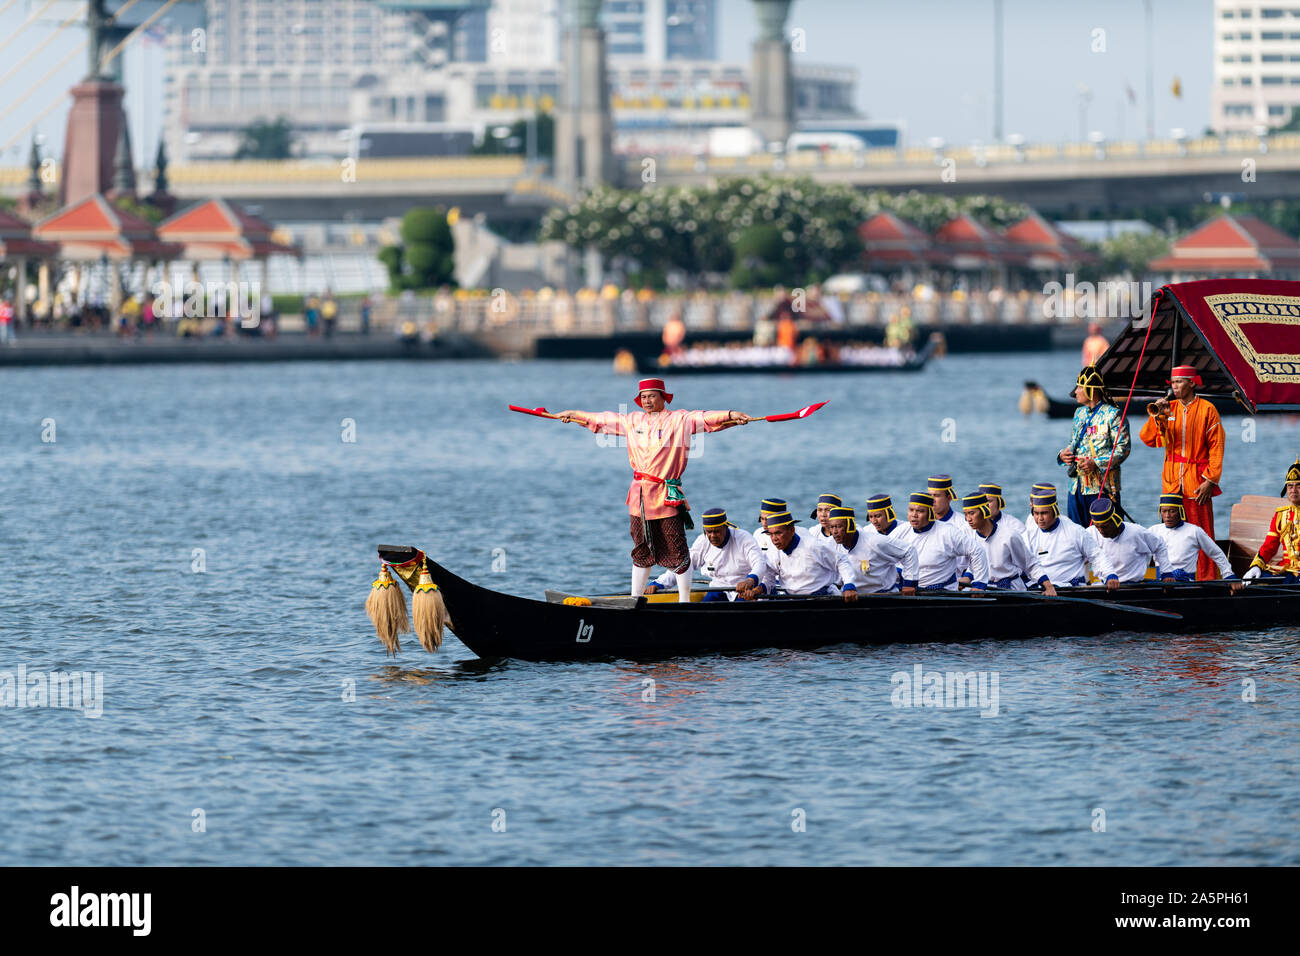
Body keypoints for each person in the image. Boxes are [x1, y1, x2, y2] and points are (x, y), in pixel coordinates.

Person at [556, 378, 758, 603]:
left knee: (676, 545)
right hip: (639, 494)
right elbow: (602, 419)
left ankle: (684, 601)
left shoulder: (679, 420)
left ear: (663, 397)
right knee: (640, 545)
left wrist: (731, 415)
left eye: (652, 396)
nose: (647, 401)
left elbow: (705, 417)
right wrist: (574, 415)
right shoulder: (632, 421)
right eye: (643, 397)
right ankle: (635, 598)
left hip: (666, 493)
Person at [1140, 364, 1226, 579]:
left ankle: (1207, 579)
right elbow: (1149, 440)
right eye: (1173, 383)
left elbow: (1217, 447)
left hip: (1198, 480)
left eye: (1179, 382)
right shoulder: (1169, 409)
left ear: (1192, 382)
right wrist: (1156, 416)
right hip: (1171, 480)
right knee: (1170, 532)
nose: (1174, 386)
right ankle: (1168, 575)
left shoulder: (1208, 409)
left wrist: (1210, 480)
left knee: (1202, 532)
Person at [647, 508, 772, 602]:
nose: (712, 536)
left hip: (745, 590)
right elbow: (684, 565)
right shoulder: (703, 541)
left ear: (725, 527)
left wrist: (750, 580)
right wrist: (659, 584)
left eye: (717, 531)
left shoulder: (744, 538)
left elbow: (759, 564)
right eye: (709, 532)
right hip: (718, 588)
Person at [1058, 366, 1130, 527]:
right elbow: (1073, 443)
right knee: (1077, 534)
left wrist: (1095, 462)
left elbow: (1123, 449)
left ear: (1091, 389)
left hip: (1102, 487)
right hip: (1076, 486)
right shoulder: (1079, 413)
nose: (1075, 392)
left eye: (1079, 387)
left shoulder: (1114, 414)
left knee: (1106, 536)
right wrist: (1064, 454)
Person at [737, 509, 857, 601]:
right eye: (771, 534)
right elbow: (769, 579)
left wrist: (849, 586)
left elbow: (842, 561)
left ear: (792, 530)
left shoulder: (813, 545)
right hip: (792, 600)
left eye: (778, 533)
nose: (774, 539)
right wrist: (757, 591)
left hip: (822, 598)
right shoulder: (773, 552)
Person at [1023, 483, 1114, 587]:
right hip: (1041, 589)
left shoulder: (1075, 531)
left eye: (1044, 513)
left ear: (1055, 511)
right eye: (1036, 513)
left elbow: (1097, 555)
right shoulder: (1028, 535)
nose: (1040, 518)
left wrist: (1110, 575)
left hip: (1071, 589)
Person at [960, 491, 1052, 593]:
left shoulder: (1009, 535)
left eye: (972, 513)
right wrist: (965, 579)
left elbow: (1030, 564)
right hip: (983, 589)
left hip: (1010, 590)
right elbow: (975, 566)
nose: (968, 519)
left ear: (984, 511)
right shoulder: (969, 536)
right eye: (966, 514)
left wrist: (1048, 587)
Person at [1147, 492, 1238, 586]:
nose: (1167, 516)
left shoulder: (1194, 531)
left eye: (1172, 511)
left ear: (1180, 511)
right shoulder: (1153, 531)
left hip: (1186, 584)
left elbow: (1217, 553)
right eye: (1164, 511)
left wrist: (1229, 576)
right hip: (1160, 584)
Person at [905, 492, 989, 591]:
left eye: (920, 511)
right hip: (911, 590)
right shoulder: (901, 531)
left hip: (943, 592)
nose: (914, 515)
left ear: (930, 513)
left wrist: (979, 584)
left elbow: (977, 550)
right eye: (911, 510)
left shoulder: (948, 532)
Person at [1085, 497, 1175, 588]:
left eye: (1105, 527)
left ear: (1115, 521)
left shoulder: (1136, 532)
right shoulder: (1091, 533)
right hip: (1103, 586)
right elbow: (1079, 557)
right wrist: (1085, 580)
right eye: (1097, 527)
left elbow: (1159, 545)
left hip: (1133, 587)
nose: (1101, 531)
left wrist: (1166, 572)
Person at [828, 505, 918, 595]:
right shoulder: (830, 544)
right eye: (831, 527)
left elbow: (909, 550)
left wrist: (910, 583)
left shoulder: (874, 541)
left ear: (850, 526)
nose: (834, 532)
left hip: (883, 595)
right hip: (851, 595)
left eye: (839, 526)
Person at [1244, 457, 1300, 583]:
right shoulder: (1281, 515)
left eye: (1298, 486)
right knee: (1256, 582)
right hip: (1287, 571)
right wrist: (1256, 566)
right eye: (1290, 486)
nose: (1293, 490)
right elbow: (1270, 546)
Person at [753, 497, 788, 561]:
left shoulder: (791, 536)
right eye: (762, 519)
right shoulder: (758, 533)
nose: (764, 523)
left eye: (768, 519)